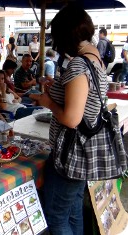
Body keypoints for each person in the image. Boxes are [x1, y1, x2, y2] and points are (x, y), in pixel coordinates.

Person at [29, 4, 108, 235]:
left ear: (66, 34)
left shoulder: (78, 64)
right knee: (73, 212)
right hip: (84, 152)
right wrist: (59, 89)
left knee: (56, 218)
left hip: (70, 155)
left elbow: (72, 119)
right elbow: (84, 99)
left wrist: (47, 101)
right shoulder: (95, 58)